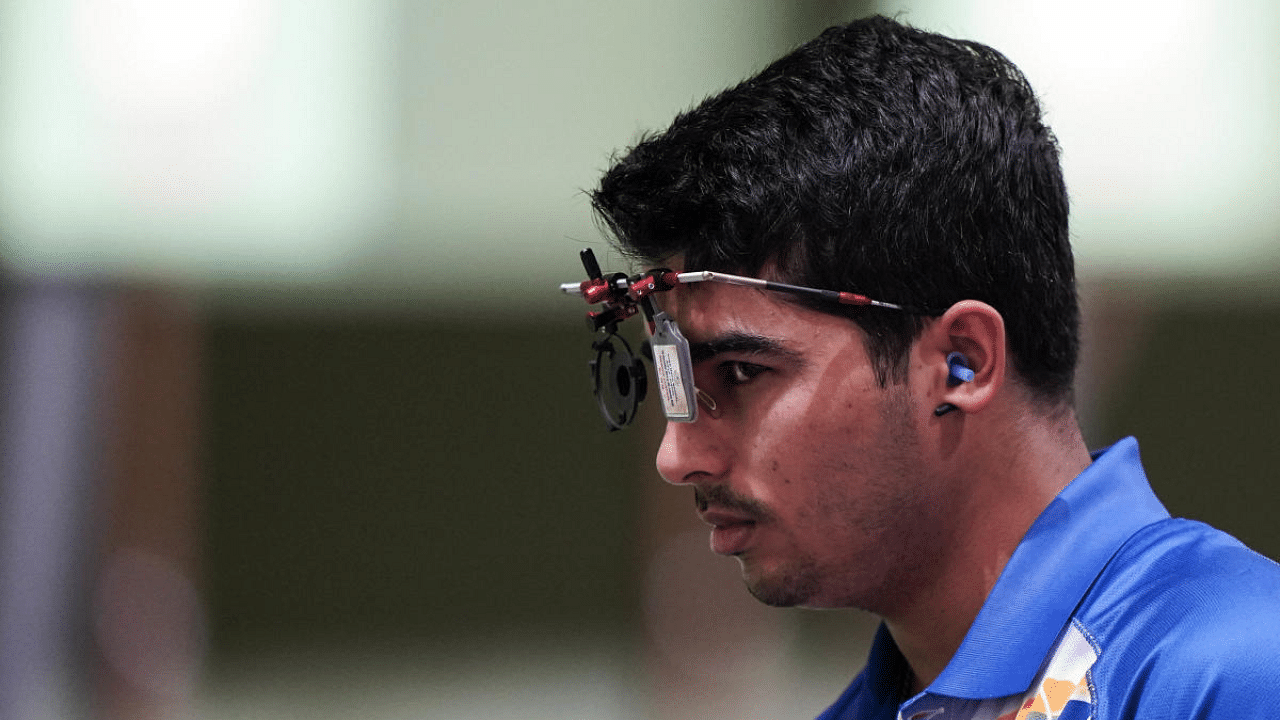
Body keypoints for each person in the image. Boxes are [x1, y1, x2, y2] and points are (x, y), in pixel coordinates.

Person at [585, 15, 1280, 720]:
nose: (679, 457)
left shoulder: (1239, 671)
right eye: (676, 382)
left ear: (962, 363)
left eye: (740, 372)